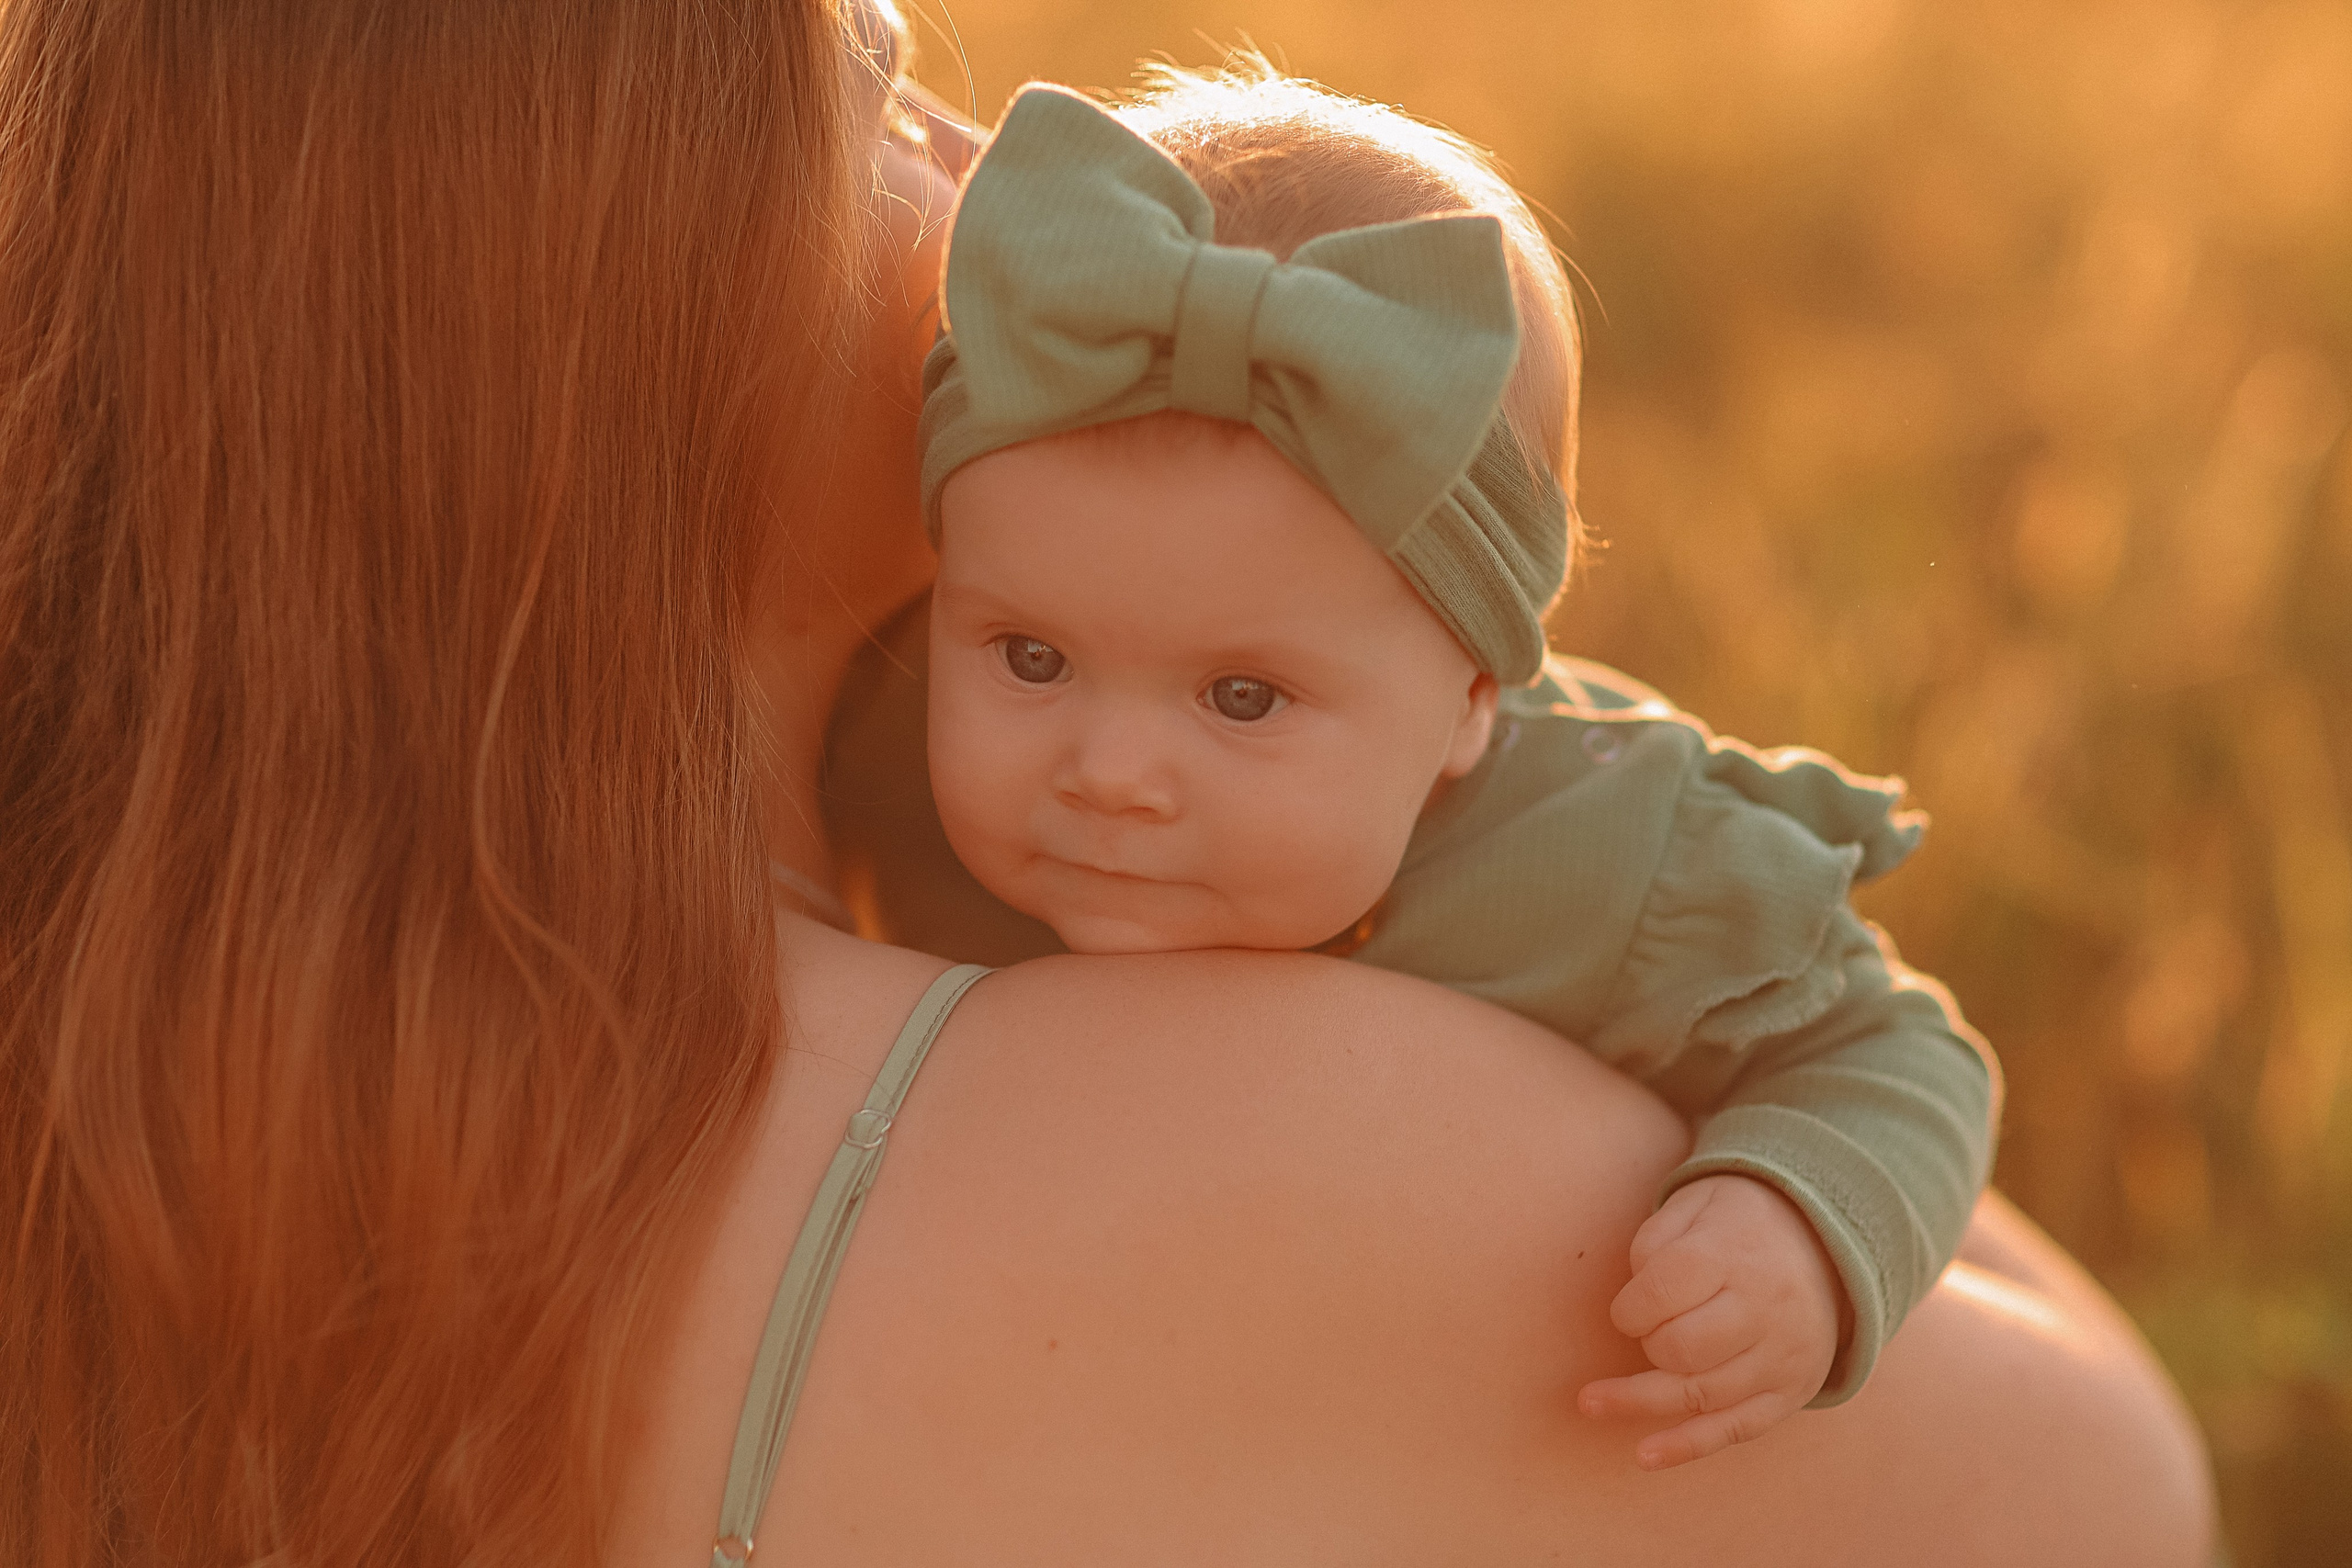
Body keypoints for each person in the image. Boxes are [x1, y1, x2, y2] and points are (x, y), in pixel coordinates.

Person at [0, 4, 2215, 1566]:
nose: (979, 165)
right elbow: (2104, 1482)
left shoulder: (93, 1044)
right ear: (616, 294)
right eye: (872, 83)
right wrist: (1512, 800)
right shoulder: (1244, 1126)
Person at [888, 72, 1988, 1466]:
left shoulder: (1620, 861)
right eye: (1030, 658)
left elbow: (1899, 1051)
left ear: (1473, 696)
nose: (1108, 772)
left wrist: (1804, 1228)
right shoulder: (886, 764)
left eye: (1240, 697)